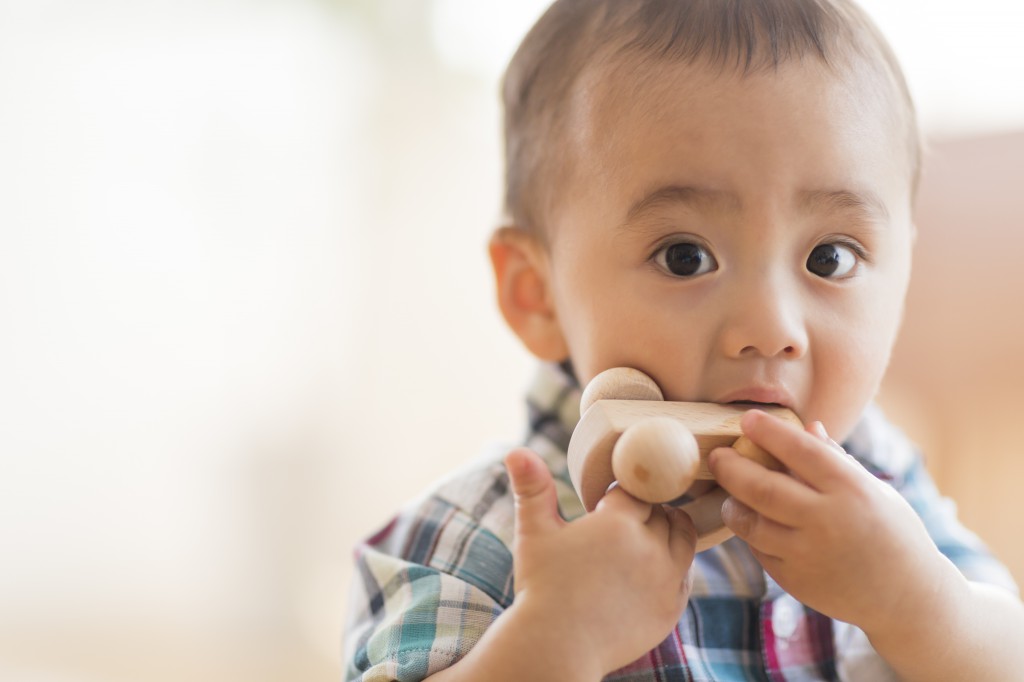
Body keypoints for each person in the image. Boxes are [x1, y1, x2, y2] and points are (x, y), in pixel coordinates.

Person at [343, 0, 1024, 679]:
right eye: (684, 257)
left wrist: (917, 602)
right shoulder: (487, 532)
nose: (770, 327)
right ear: (536, 293)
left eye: (829, 259)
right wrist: (555, 638)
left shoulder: (884, 491)